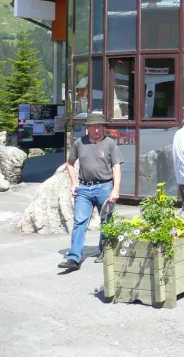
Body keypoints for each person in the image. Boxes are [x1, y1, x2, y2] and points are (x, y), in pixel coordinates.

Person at [58, 113, 123, 270]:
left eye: (100, 126)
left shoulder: (110, 144)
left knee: (106, 221)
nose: (97, 130)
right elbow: (70, 163)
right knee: (79, 222)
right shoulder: (80, 143)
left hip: (104, 187)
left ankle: (105, 250)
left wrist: (115, 190)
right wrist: (73, 183)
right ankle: (73, 258)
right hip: (84, 188)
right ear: (87, 128)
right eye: (94, 127)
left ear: (104, 128)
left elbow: (116, 167)